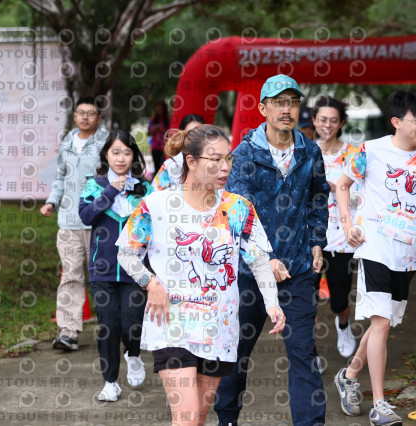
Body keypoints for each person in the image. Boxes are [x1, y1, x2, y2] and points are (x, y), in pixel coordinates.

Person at [117, 124, 286, 425]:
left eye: (228, 158)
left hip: (219, 326)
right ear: (191, 162)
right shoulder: (156, 205)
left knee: (197, 419)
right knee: (187, 417)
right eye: (215, 159)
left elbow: (259, 260)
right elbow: (126, 254)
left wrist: (272, 303)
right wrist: (151, 283)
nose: (225, 167)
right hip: (172, 322)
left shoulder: (238, 208)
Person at [214, 74, 331, 426]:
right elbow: (239, 213)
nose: (286, 109)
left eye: (292, 102)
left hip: (297, 270)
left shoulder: (309, 151)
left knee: (304, 354)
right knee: (236, 352)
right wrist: (266, 258)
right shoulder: (244, 155)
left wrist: (316, 242)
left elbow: (318, 197)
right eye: (279, 102)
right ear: (263, 108)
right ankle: (227, 419)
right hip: (250, 273)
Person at [333, 90, 416, 425]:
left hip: (408, 252)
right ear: (397, 121)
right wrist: (347, 225)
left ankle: (349, 375)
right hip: (375, 246)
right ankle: (379, 404)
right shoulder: (369, 151)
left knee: (382, 321)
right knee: (382, 322)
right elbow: (342, 185)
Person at [78, 130, 152, 401]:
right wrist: (111, 191)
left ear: (134, 156)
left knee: (132, 323)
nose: (121, 158)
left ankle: (133, 354)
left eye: (126, 152)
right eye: (115, 152)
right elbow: (86, 216)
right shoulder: (94, 185)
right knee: (108, 325)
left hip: (136, 270)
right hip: (102, 269)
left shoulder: (145, 188)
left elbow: (156, 225)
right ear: (106, 155)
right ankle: (110, 382)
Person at [40, 97, 108, 351]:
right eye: (81, 113)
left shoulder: (107, 144)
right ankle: (68, 332)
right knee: (70, 276)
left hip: (98, 223)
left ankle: (111, 328)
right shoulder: (68, 142)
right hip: (68, 221)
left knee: (103, 277)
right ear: (75, 116)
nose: (85, 117)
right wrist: (51, 202)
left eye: (91, 113)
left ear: (99, 118)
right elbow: (60, 177)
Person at [311, 96, 360, 359]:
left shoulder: (353, 155)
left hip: (341, 237)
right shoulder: (305, 152)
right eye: (322, 120)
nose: (327, 125)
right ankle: (310, 352)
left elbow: (363, 196)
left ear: (341, 123)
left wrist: (338, 189)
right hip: (309, 237)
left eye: (333, 120)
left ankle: (343, 324)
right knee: (306, 299)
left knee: (340, 298)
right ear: (314, 121)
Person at [152, 114, 205, 191]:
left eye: (200, 133)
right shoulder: (170, 165)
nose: (196, 138)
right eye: (190, 133)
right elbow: (156, 194)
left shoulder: (213, 162)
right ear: (182, 136)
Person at [148, 99, 170, 172]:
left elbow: (170, 132)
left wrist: (162, 130)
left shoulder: (168, 119)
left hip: (165, 148)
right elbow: (149, 132)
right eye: (158, 109)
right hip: (155, 147)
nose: (159, 110)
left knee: (165, 167)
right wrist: (154, 129)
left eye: (161, 109)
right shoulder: (153, 119)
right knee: (157, 168)